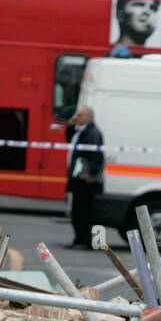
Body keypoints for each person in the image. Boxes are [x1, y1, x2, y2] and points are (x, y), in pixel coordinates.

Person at [62, 106, 104, 249]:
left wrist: (92, 174)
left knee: (83, 212)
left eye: (80, 115)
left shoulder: (92, 133)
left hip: (85, 178)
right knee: (76, 211)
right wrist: (70, 125)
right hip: (77, 175)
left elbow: (96, 156)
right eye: (77, 114)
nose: (77, 117)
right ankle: (78, 239)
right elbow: (68, 138)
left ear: (89, 117)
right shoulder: (80, 131)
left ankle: (84, 241)